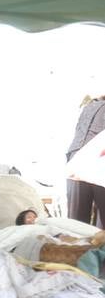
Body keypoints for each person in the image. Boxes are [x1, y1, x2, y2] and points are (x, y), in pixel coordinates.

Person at [66, 94, 105, 227]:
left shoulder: (90, 105)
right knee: (76, 223)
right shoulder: (91, 105)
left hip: (93, 162)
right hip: (80, 160)